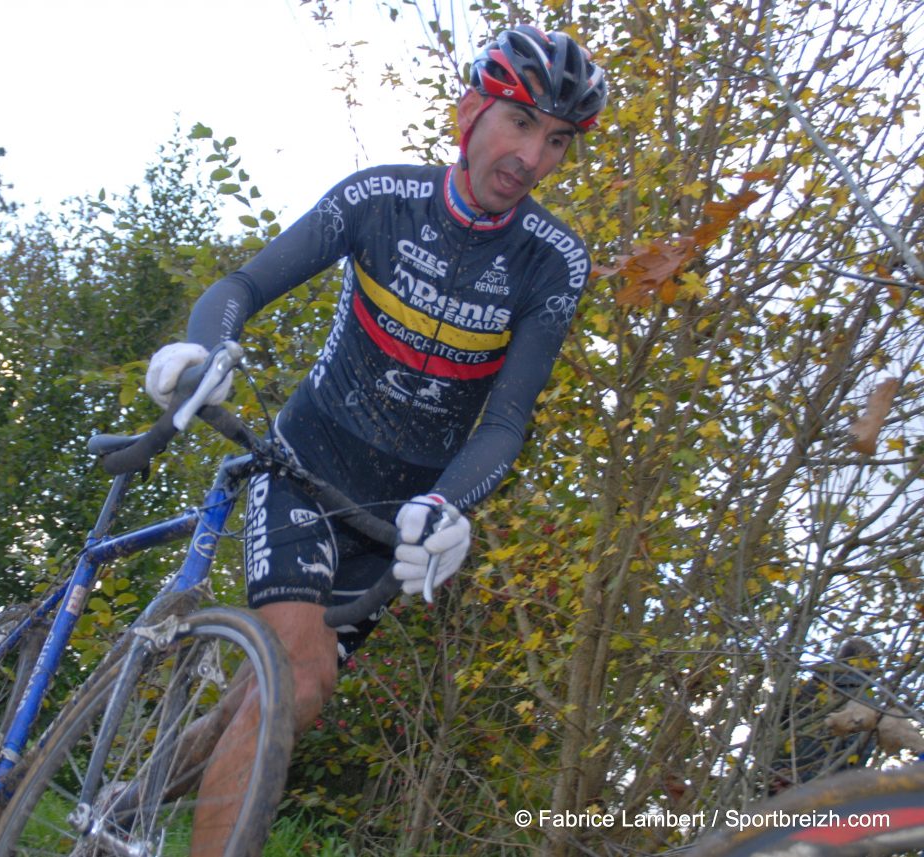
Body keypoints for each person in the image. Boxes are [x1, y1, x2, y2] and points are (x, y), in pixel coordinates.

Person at [140, 25, 607, 854]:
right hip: (307, 460)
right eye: (520, 122)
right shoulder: (378, 198)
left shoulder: (553, 261)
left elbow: (505, 421)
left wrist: (446, 504)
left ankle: (126, 803)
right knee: (295, 675)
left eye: (557, 140)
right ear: (469, 111)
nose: (532, 157)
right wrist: (208, 348)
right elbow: (244, 284)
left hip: (396, 514)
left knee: (279, 695)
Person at [770, 637, 880, 793]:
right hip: (823, 791)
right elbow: (859, 751)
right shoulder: (865, 703)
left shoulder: (806, 690)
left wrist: (778, 770)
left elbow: (775, 731)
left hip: (784, 783)